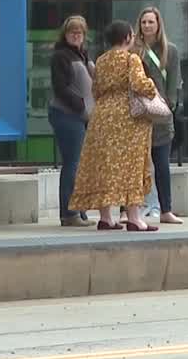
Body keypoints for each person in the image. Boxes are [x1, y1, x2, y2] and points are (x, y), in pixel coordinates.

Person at [68, 20, 161, 232]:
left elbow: (96, 89)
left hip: (101, 116)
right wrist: (152, 86)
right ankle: (135, 218)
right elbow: (138, 84)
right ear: (128, 38)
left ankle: (106, 217)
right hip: (126, 118)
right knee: (130, 165)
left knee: (105, 165)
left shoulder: (100, 60)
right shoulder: (131, 59)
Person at [132, 6, 183, 225]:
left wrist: (168, 105)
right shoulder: (133, 50)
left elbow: (174, 82)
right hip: (137, 115)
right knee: (132, 165)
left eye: (151, 22)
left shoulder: (170, 51)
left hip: (161, 116)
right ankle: (128, 210)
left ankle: (166, 209)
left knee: (162, 164)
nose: (147, 26)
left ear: (158, 24)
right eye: (144, 22)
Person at [48, 15, 95, 227]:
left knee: (81, 166)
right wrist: (80, 105)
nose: (76, 36)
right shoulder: (61, 56)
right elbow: (61, 87)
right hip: (67, 115)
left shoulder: (83, 55)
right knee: (72, 163)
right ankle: (69, 213)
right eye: (72, 32)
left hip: (83, 117)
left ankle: (79, 210)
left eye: (79, 32)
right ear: (65, 34)